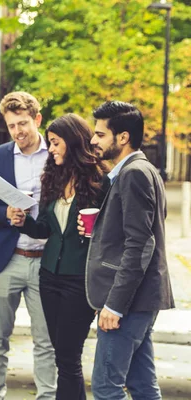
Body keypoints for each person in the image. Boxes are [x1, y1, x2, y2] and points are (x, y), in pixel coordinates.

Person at [77, 101, 175, 400]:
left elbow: (141, 244)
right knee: (143, 387)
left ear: (122, 138)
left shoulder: (134, 173)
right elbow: (145, 228)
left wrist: (115, 305)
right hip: (141, 299)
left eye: (100, 134)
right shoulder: (142, 170)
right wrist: (102, 231)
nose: (93, 140)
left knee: (107, 388)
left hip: (129, 302)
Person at [10, 113, 109, 399]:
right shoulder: (53, 177)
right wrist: (23, 222)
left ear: (73, 141)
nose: (50, 149)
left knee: (67, 357)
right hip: (49, 277)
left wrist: (97, 226)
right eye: (50, 144)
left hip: (80, 281)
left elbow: (110, 236)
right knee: (62, 357)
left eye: (55, 143)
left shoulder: (101, 183)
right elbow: (44, 229)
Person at [0, 91, 57, 400]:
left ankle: (48, 396)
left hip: (47, 262)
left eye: (23, 123)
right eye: (11, 126)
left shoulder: (57, 155)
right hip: (5, 261)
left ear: (37, 120)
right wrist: (4, 214)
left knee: (46, 340)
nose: (18, 132)